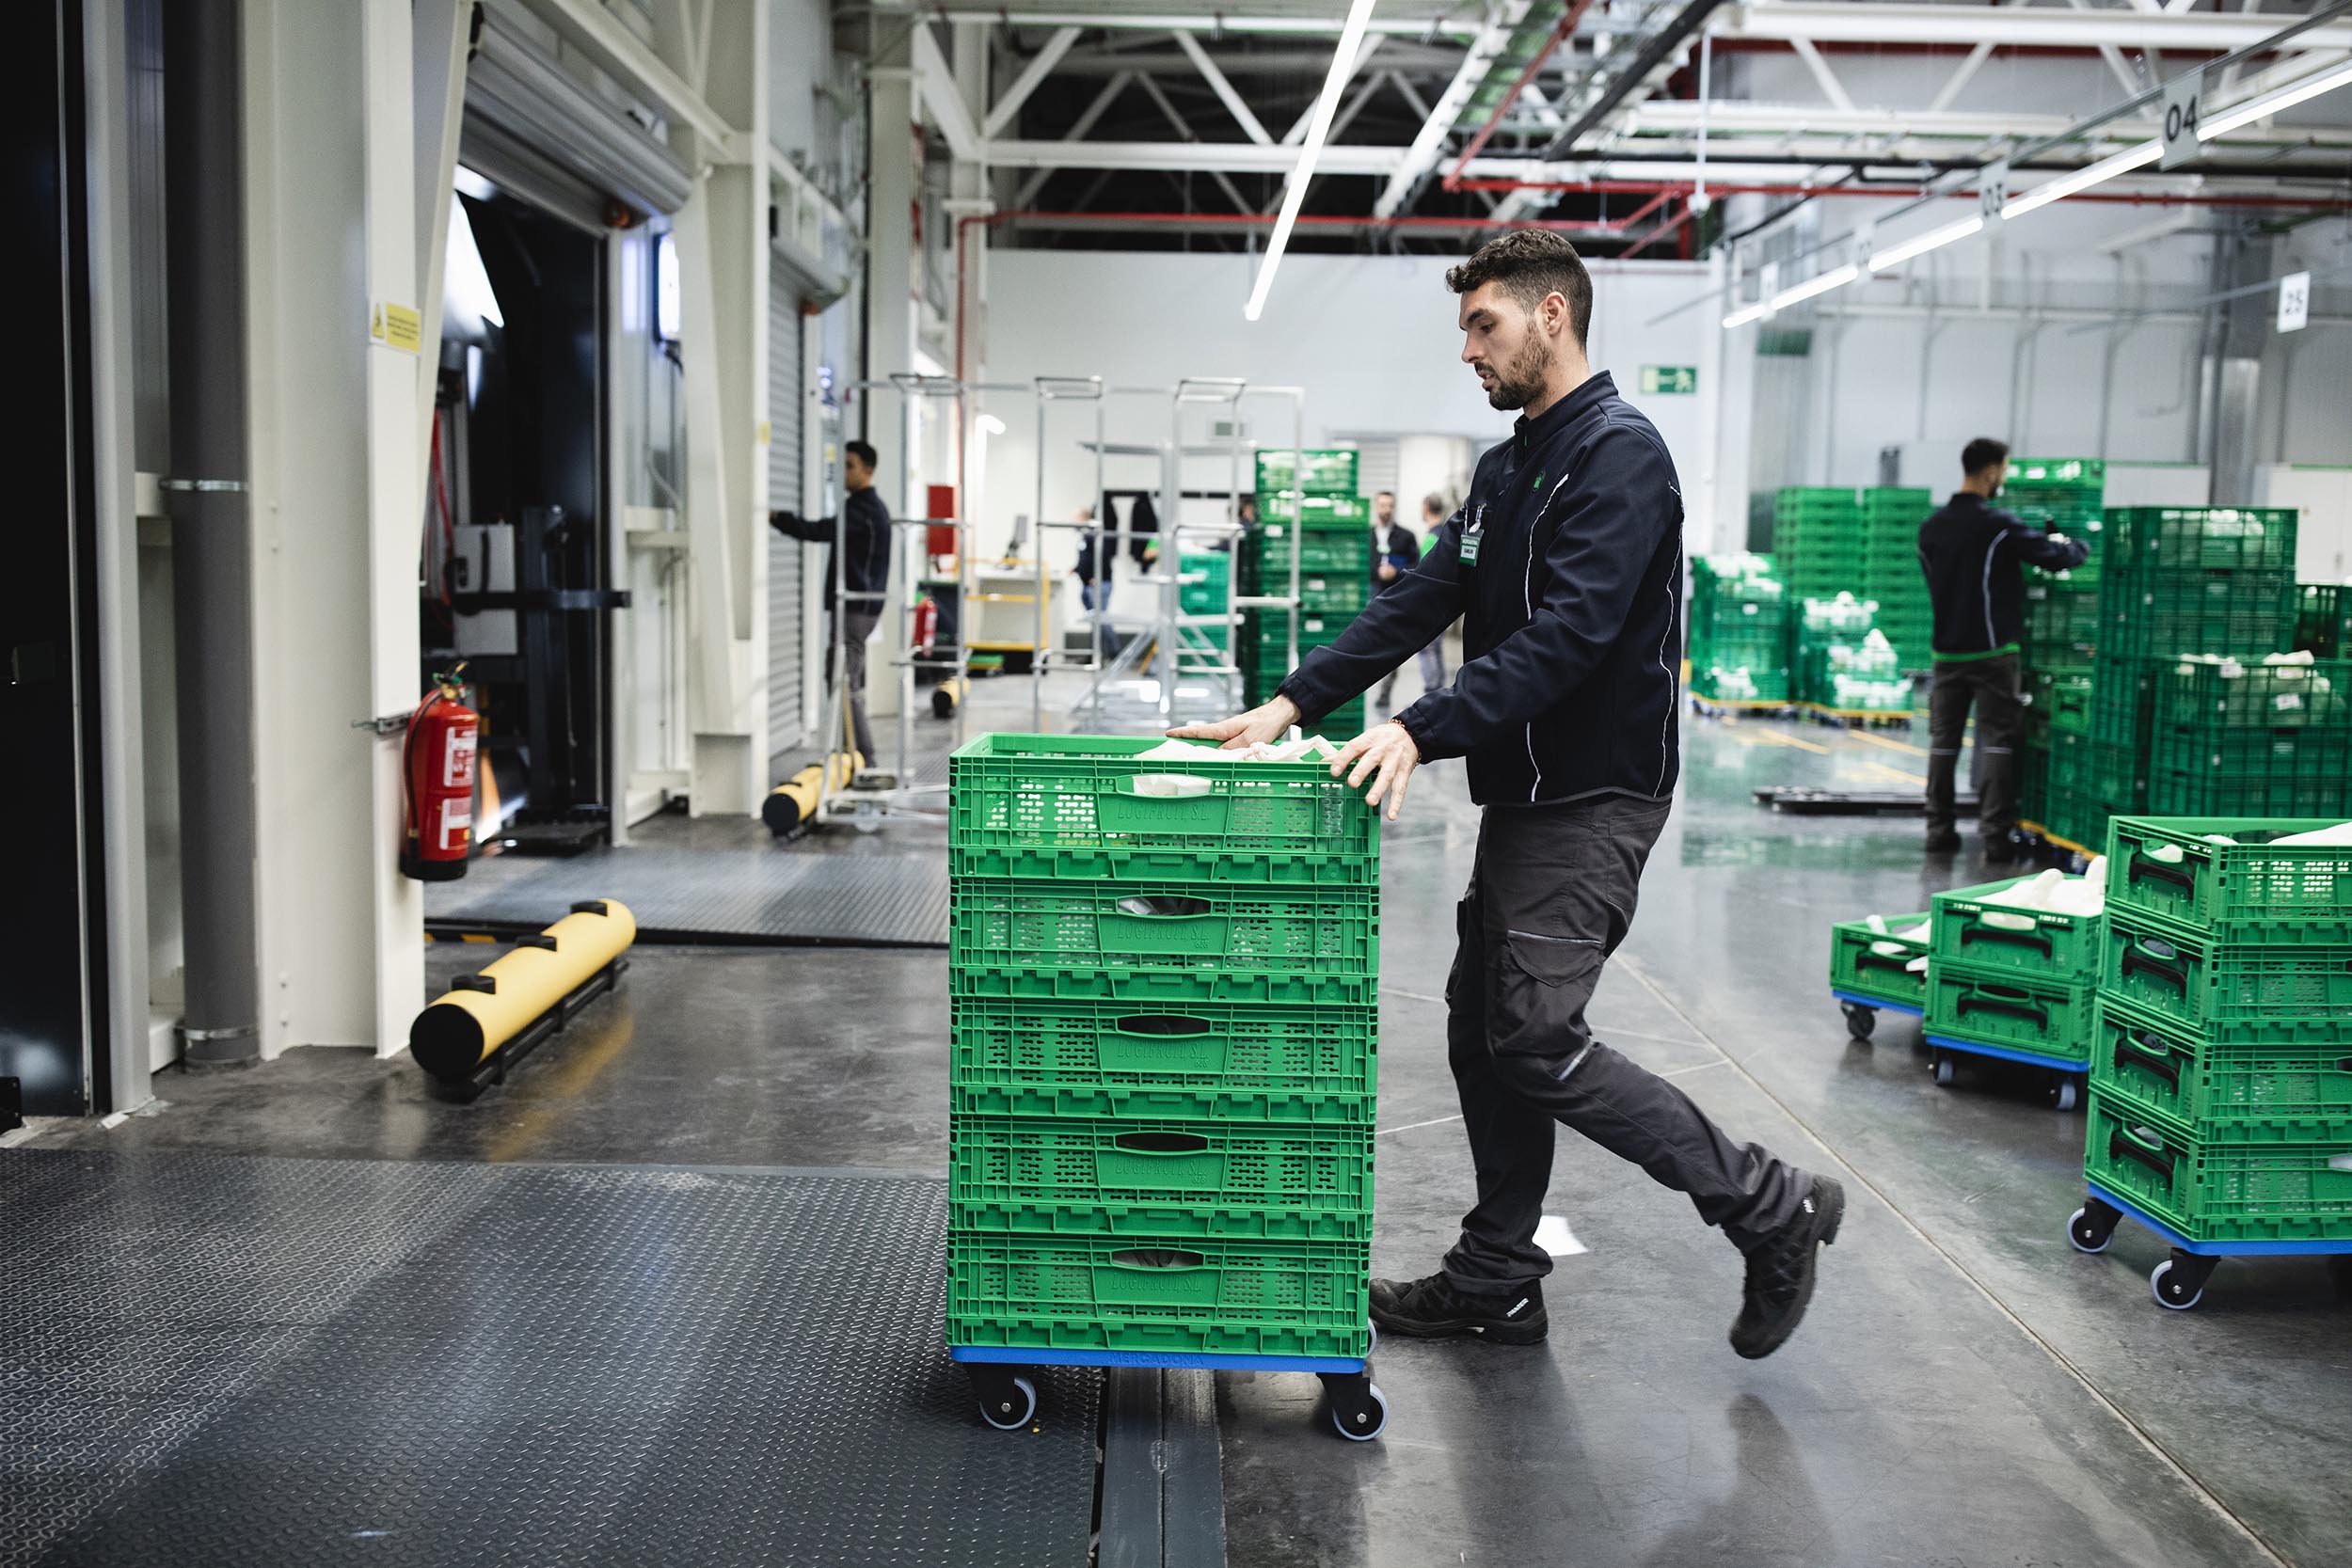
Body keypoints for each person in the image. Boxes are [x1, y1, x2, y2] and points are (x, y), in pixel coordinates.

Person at [1170, 230, 1841, 1361]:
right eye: (1465, 329)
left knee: (1532, 1036)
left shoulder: (1622, 455)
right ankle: (1497, 1275)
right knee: (1485, 1035)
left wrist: (1416, 727)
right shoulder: (1510, 464)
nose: (1469, 351)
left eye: (1484, 325)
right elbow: (1421, 599)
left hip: (1595, 791)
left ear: (1551, 317)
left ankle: (1767, 1203)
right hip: (1526, 792)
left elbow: (1571, 636)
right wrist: (1290, 704)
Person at [1916, 437, 2090, 862]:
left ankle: (1938, 830)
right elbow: (2055, 557)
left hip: (1946, 651)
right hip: (1992, 652)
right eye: (2004, 470)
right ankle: (1995, 837)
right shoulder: (1997, 525)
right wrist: (2074, 545)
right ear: (1992, 470)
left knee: (1944, 742)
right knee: (1996, 739)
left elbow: (1934, 582)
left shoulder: (1931, 528)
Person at [770, 438, 891, 764]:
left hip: (855, 608)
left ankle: (864, 757)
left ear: (868, 470)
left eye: (850, 466)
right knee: (842, 678)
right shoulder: (868, 508)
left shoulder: (863, 510)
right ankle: (850, 752)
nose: (844, 474)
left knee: (843, 681)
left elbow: (820, 530)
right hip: (860, 607)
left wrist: (778, 518)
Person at [1372, 490, 1448, 713]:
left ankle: (1433, 694)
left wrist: (1396, 572)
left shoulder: (1420, 537)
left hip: (1423, 601)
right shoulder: (1368, 536)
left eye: (1389, 505)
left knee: (1429, 649)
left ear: (1425, 509)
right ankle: (1436, 693)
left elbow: (1422, 568)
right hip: (1379, 595)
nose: (1386, 509)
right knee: (1434, 649)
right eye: (1382, 505)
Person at [1072, 501, 1125, 664]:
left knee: (1101, 620)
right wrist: (1076, 569)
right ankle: (1095, 655)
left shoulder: (1094, 535)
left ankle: (1117, 654)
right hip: (1089, 583)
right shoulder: (1086, 536)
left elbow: (1102, 556)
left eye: (1075, 518)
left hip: (1098, 583)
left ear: (1084, 518)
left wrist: (1097, 576)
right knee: (1095, 621)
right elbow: (1086, 558)